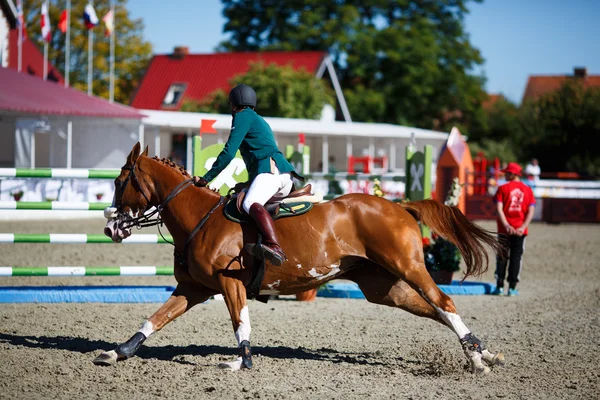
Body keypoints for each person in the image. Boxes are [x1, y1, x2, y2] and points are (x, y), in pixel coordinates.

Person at [192, 84, 300, 266]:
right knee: (240, 197)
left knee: (250, 203)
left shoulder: (242, 116)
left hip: (271, 172)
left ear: (233, 105)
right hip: (282, 175)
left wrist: (206, 178)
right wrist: (248, 183)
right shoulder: (258, 119)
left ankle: (274, 246)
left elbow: (229, 152)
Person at [492, 162, 536, 296]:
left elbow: (499, 208)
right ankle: (512, 288)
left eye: (506, 173)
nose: (504, 175)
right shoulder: (527, 190)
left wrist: (506, 225)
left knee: (502, 257)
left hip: (504, 229)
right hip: (520, 230)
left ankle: (499, 287)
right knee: (516, 258)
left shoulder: (502, 189)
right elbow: (531, 210)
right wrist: (523, 227)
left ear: (513, 174)